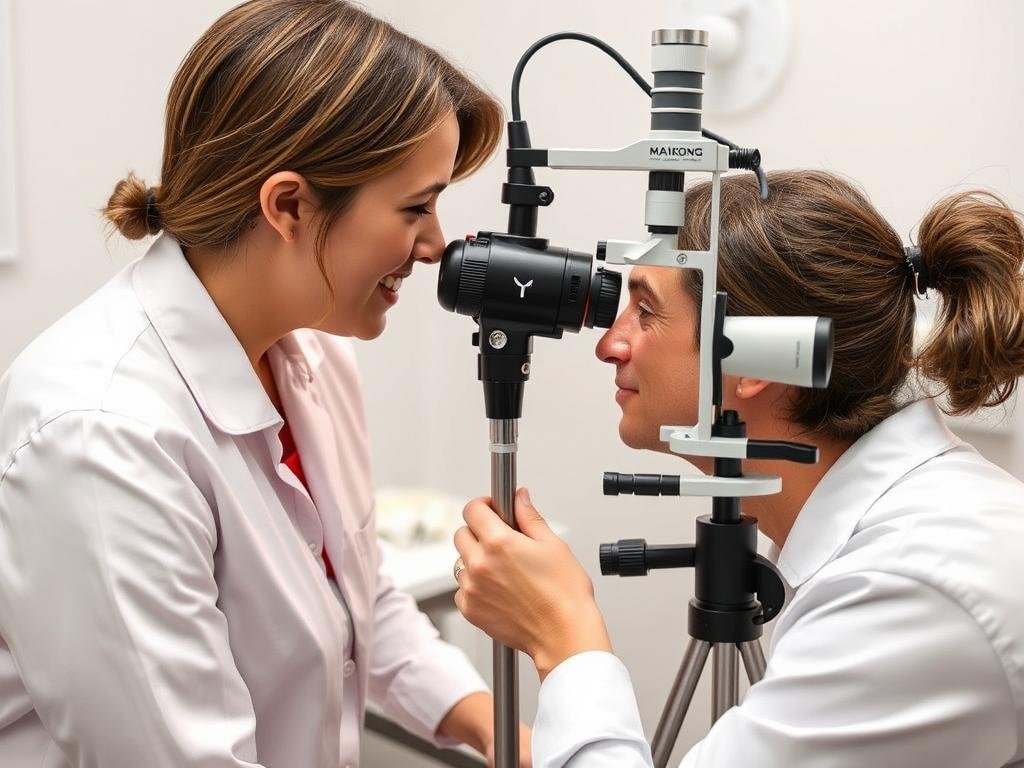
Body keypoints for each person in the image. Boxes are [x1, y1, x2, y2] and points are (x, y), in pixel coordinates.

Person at [0, 1, 533, 766]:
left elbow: (361, 598)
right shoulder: (100, 436)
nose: (436, 245)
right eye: (416, 207)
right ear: (288, 206)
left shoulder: (311, 353)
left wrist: (504, 734)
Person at [454, 170, 1024, 767]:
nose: (609, 345)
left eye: (645, 311)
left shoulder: (908, 592)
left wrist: (563, 635)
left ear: (754, 357)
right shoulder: (906, 528)